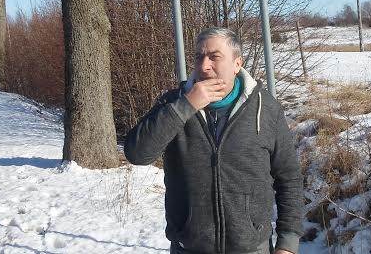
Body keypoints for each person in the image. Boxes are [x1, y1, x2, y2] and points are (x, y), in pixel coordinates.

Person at [125, 27, 303, 254]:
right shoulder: (173, 103)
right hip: (190, 248)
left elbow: (289, 177)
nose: (203, 66)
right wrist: (186, 106)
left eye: (214, 57)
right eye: (199, 57)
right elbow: (137, 154)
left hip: (252, 248)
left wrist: (288, 243)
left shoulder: (265, 108)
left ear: (237, 64)